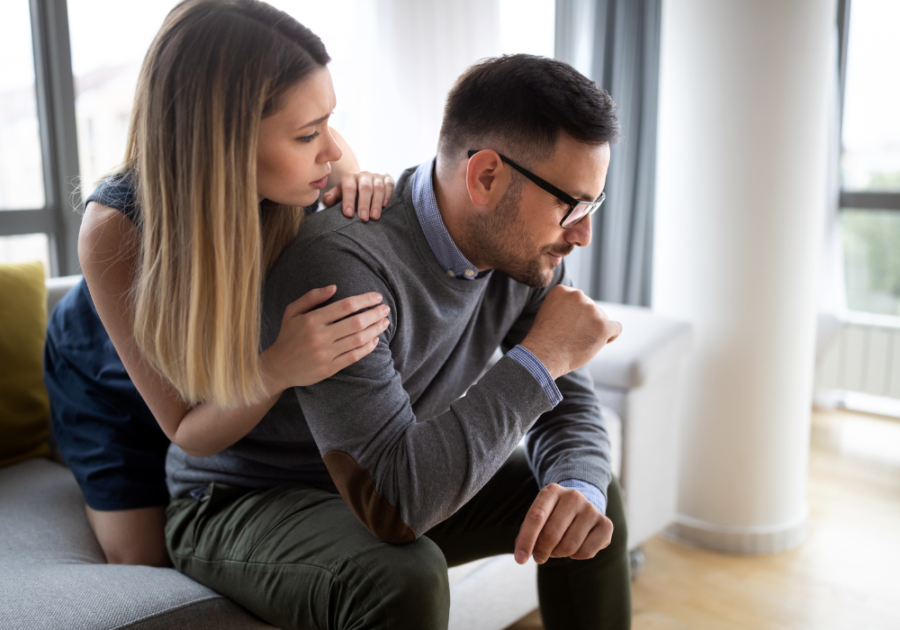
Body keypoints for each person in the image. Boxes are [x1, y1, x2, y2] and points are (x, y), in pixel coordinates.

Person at [166, 54, 631, 630]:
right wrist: (541, 359)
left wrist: (577, 480)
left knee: (585, 497)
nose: (582, 234)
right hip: (244, 499)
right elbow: (392, 506)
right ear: (487, 177)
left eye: (593, 204)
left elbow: (569, 405)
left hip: (384, 470)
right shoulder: (344, 264)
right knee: (405, 574)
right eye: (571, 205)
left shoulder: (526, 256)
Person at [43, 0, 395, 568]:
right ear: (223, 142)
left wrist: (375, 191)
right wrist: (279, 367)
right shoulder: (115, 228)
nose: (334, 149)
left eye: (331, 119)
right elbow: (188, 427)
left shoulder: (328, 167)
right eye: (308, 133)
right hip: (110, 379)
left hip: (222, 361)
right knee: (145, 567)